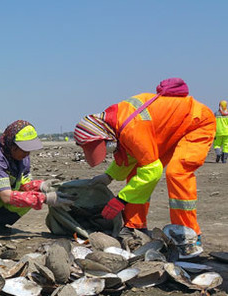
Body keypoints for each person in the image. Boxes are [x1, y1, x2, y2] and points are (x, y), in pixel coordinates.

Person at [73, 78, 216, 258]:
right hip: (171, 129)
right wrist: (108, 176)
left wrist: (121, 200)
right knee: (136, 171)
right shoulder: (114, 122)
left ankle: (188, 235)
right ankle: (135, 226)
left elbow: (152, 171)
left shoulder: (131, 127)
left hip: (196, 123)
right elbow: (132, 156)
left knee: (177, 173)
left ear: (104, 135)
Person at [0, 120, 75, 240]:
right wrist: (46, 198)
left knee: (28, 198)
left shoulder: (22, 158)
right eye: (24, 149)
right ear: (12, 145)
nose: (28, 153)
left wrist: (42, 186)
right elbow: (6, 196)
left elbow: (23, 185)